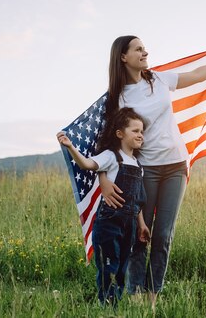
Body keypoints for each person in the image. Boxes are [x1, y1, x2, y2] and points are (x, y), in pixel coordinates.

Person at [98, 35, 206, 300]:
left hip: (176, 165)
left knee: (163, 236)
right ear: (123, 57)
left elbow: (197, 74)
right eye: (138, 49)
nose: (145, 51)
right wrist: (102, 179)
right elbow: (107, 142)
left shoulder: (160, 79)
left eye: (144, 48)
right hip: (145, 170)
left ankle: (153, 297)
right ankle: (135, 296)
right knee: (140, 235)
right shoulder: (117, 98)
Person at [56, 107, 151, 306]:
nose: (140, 135)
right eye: (135, 131)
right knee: (109, 267)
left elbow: (138, 200)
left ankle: (114, 304)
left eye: (142, 131)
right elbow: (86, 165)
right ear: (120, 134)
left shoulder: (137, 163)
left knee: (122, 268)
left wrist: (141, 225)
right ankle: (107, 305)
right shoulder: (111, 156)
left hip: (130, 225)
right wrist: (70, 146)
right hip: (109, 223)